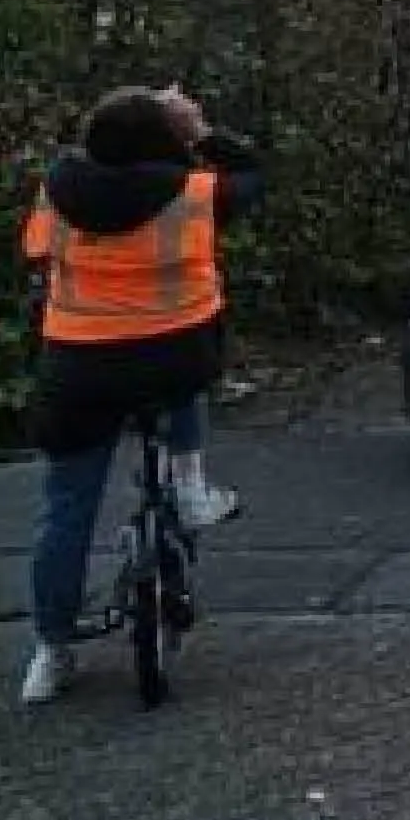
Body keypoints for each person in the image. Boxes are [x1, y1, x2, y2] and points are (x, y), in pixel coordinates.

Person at [19, 85, 262, 705]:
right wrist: (199, 130)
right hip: (172, 358)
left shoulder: (57, 191)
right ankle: (189, 484)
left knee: (67, 508)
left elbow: (37, 256)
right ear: (165, 139)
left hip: (80, 363)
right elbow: (253, 175)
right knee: (185, 377)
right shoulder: (193, 195)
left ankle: (51, 649)